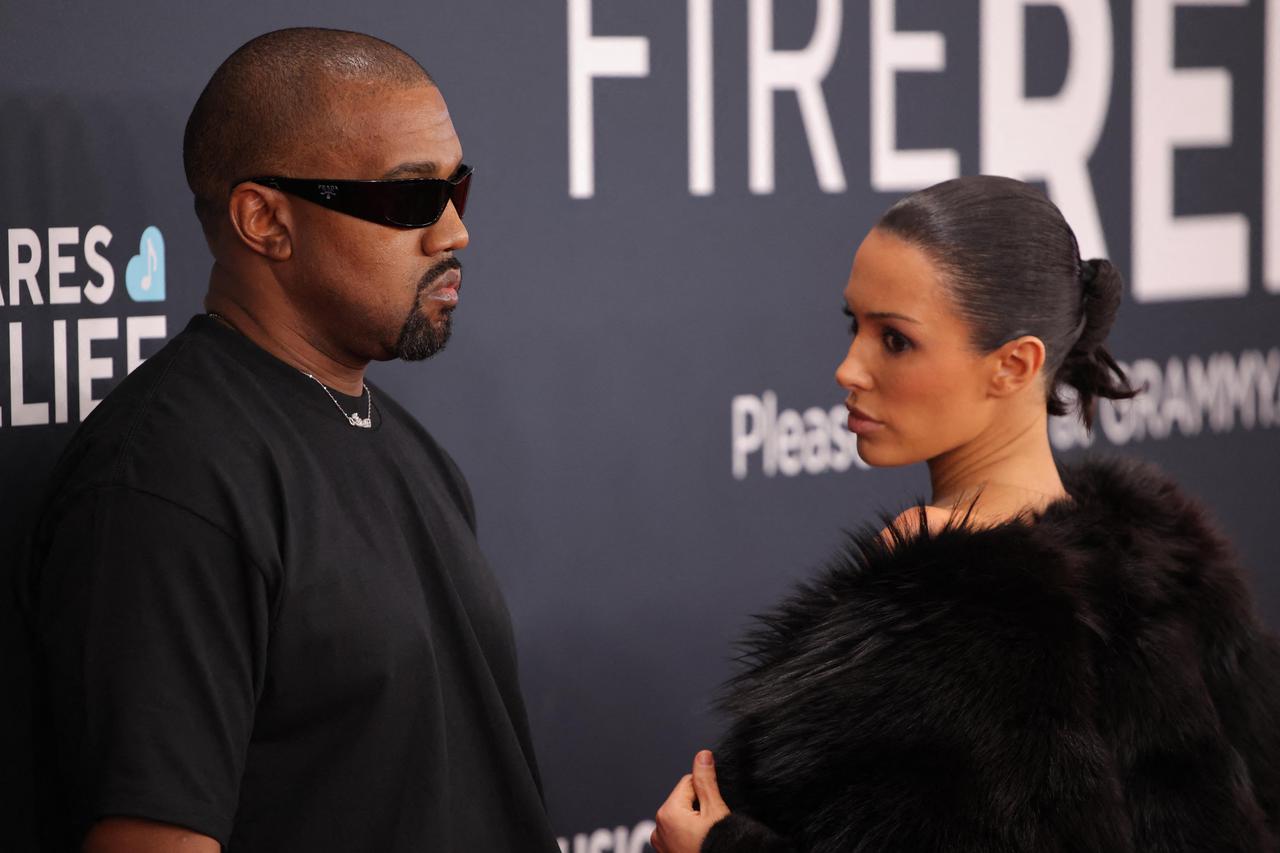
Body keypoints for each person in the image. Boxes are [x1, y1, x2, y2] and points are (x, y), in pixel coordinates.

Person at [23, 28, 559, 853]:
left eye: (458, 188)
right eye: (410, 198)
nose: (453, 233)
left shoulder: (415, 451)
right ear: (265, 220)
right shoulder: (170, 479)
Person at [651, 176, 1280, 852]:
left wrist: (718, 847)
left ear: (1014, 365)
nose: (848, 369)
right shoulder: (1168, 570)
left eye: (895, 340)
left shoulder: (939, 624)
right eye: (854, 325)